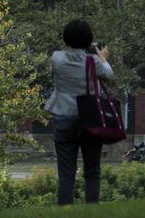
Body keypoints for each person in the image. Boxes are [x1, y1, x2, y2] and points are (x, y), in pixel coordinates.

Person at [44, 19, 112, 205]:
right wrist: (103, 57)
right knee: (92, 171)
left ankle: (65, 211)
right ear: (88, 39)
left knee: (66, 173)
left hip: (64, 118)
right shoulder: (93, 61)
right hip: (89, 121)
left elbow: (53, 73)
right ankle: (91, 211)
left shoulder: (56, 58)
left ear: (66, 38)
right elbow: (109, 74)